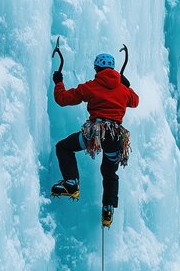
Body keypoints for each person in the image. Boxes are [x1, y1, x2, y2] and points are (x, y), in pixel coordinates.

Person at [51, 53, 139, 227]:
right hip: (114, 136)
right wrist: (127, 85)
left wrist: (58, 82)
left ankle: (71, 183)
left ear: (96, 69)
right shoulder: (123, 90)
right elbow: (135, 101)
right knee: (109, 173)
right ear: (113, 69)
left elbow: (62, 99)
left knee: (64, 147)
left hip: (95, 134)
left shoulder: (91, 86)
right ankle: (108, 210)